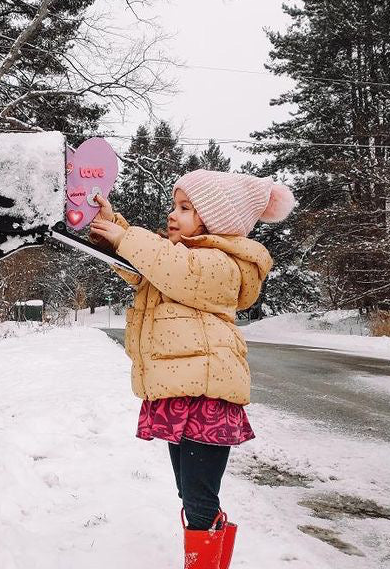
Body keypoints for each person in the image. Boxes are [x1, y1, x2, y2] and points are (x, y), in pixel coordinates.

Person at [89, 169, 296, 569]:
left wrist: (128, 238)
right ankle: (205, 555)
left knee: (200, 499)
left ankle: (202, 563)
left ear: (215, 220)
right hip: (180, 392)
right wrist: (113, 226)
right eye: (173, 205)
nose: (172, 214)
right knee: (189, 493)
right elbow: (146, 268)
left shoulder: (222, 264)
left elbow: (171, 267)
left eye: (185, 208)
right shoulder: (176, 259)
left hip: (207, 396)